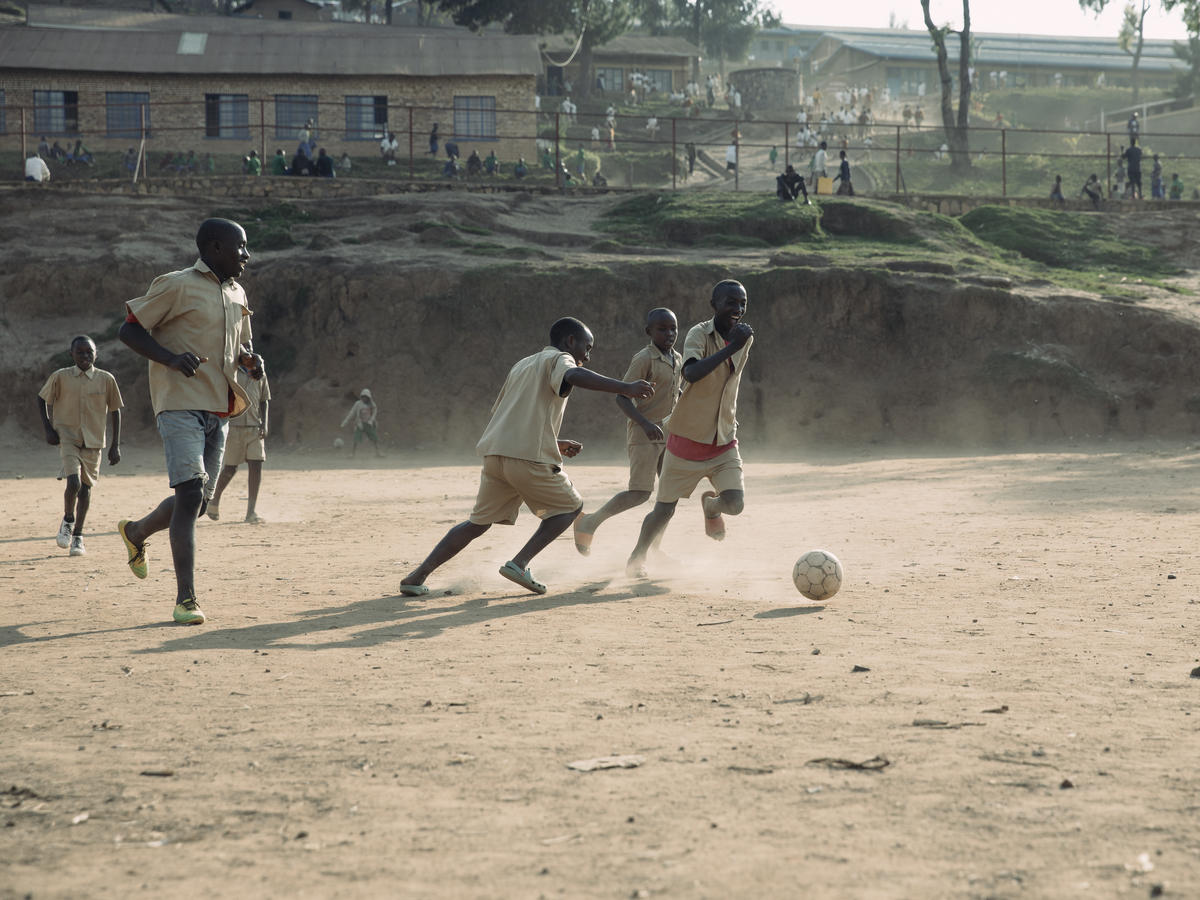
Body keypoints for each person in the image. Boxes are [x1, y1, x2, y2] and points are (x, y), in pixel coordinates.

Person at [397, 317, 654, 597]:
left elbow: (506, 415)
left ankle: (416, 576)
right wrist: (624, 387)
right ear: (570, 341)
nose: (588, 356)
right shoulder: (560, 359)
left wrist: (553, 441)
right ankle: (519, 564)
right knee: (570, 507)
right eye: (587, 348)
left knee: (477, 523)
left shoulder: (522, 365)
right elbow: (573, 376)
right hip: (528, 458)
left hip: (496, 455)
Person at [116, 218, 264, 626]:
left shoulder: (237, 292)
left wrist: (250, 360)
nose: (247, 256)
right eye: (241, 248)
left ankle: (136, 532)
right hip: (179, 403)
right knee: (191, 492)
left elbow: (241, 344)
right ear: (214, 248)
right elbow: (129, 331)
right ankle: (186, 599)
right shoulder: (175, 284)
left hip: (221, 408)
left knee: (195, 504)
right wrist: (170, 358)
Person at [625, 281, 754, 578]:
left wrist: (737, 343)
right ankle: (637, 558)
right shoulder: (698, 334)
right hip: (686, 440)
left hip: (723, 439)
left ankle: (712, 507)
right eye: (730, 302)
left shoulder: (745, 337)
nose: (737, 309)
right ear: (714, 304)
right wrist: (731, 346)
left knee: (735, 504)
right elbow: (692, 372)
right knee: (663, 510)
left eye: (742, 303)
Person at [573, 309, 682, 556]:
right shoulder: (644, 359)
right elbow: (622, 398)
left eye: (673, 328)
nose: (669, 334)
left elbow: (676, 393)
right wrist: (644, 423)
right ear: (649, 332)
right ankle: (591, 521)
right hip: (645, 435)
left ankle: (653, 546)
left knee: (669, 497)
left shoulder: (678, 358)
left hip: (670, 435)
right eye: (662, 329)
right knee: (641, 493)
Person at [37, 335, 123, 557]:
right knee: (73, 481)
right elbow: (42, 398)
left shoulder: (106, 379)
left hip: (94, 441)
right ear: (71, 354)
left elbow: (116, 411)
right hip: (67, 437)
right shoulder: (60, 377)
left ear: (96, 354)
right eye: (80, 352)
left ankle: (78, 536)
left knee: (85, 489)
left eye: (89, 352)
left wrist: (115, 445)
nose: (85, 356)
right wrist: (48, 428)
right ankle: (67, 519)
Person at [207, 357, 270, 524]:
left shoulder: (259, 372)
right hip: (234, 427)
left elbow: (264, 399)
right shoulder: (230, 372)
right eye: (244, 347)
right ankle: (214, 500)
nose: (248, 351)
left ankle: (251, 511)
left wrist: (265, 423)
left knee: (256, 465)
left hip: (254, 427)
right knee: (230, 468)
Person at [341, 389, 381, 457]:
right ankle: (352, 454)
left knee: (374, 438)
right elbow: (351, 413)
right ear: (361, 396)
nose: (364, 398)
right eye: (363, 397)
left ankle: (378, 453)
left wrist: (371, 420)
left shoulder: (371, 403)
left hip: (368, 424)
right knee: (356, 439)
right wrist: (345, 422)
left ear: (368, 397)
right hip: (360, 424)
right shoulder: (358, 404)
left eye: (366, 397)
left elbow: (375, 411)